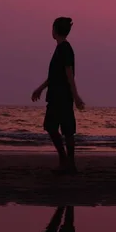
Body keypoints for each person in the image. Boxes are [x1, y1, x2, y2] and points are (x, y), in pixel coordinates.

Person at [32, 17, 85, 174]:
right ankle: (68, 163)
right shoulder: (61, 48)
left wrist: (76, 96)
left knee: (55, 127)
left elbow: (69, 74)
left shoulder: (65, 49)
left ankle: (67, 162)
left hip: (61, 95)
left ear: (55, 30)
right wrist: (40, 88)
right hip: (57, 94)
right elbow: (55, 75)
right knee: (61, 127)